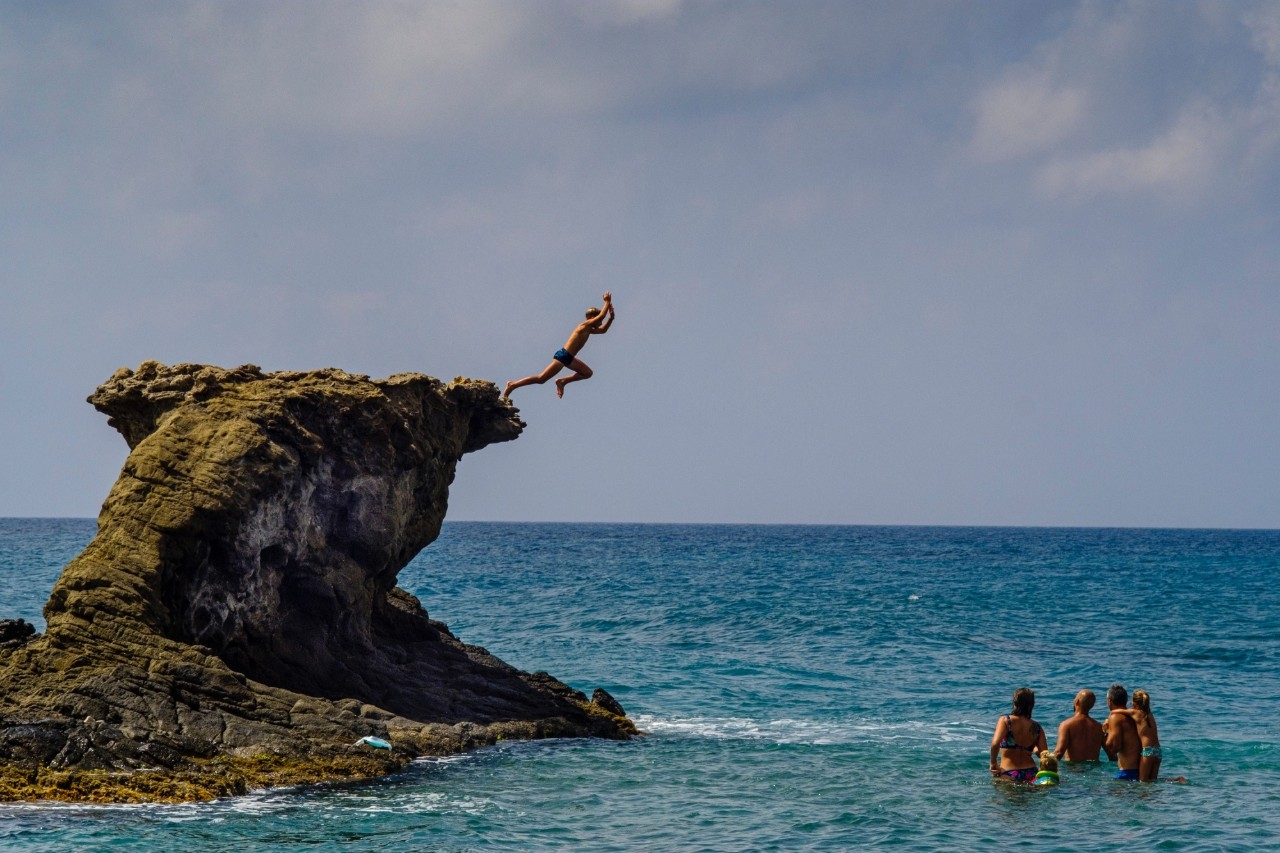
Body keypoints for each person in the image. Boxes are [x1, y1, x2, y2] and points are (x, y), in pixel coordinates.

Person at [503, 292, 615, 399]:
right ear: (592, 318)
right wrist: (607, 302)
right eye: (599, 320)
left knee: (587, 373)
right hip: (563, 355)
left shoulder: (589, 329)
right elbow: (601, 317)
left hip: (570, 358)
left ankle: (562, 381)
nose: (601, 322)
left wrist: (611, 318)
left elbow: (603, 330)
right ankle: (512, 384)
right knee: (541, 378)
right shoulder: (584, 325)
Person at [989, 687, 1048, 783]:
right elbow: (1044, 755)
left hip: (1009, 773)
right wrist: (1031, 748)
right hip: (1032, 773)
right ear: (1032, 705)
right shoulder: (1037, 727)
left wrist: (993, 763)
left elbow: (995, 744)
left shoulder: (1006, 721)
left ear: (1015, 703)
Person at [1116, 688, 1163, 781]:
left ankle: (1144, 796)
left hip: (1148, 752)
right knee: (1153, 781)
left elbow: (1116, 711)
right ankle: (1175, 780)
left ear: (1134, 703)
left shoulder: (1135, 713)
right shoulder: (1149, 714)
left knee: (1143, 781)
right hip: (1158, 751)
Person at [1053, 689, 1105, 762]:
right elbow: (1112, 755)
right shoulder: (1099, 727)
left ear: (1076, 702)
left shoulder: (1066, 725)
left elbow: (1059, 753)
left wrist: (1044, 765)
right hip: (1094, 771)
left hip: (1073, 771)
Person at [1103, 683, 1141, 781]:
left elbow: (1115, 747)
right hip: (1142, 770)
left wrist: (1106, 731)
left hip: (1127, 772)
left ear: (1109, 701)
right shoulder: (1135, 715)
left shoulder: (1115, 717)